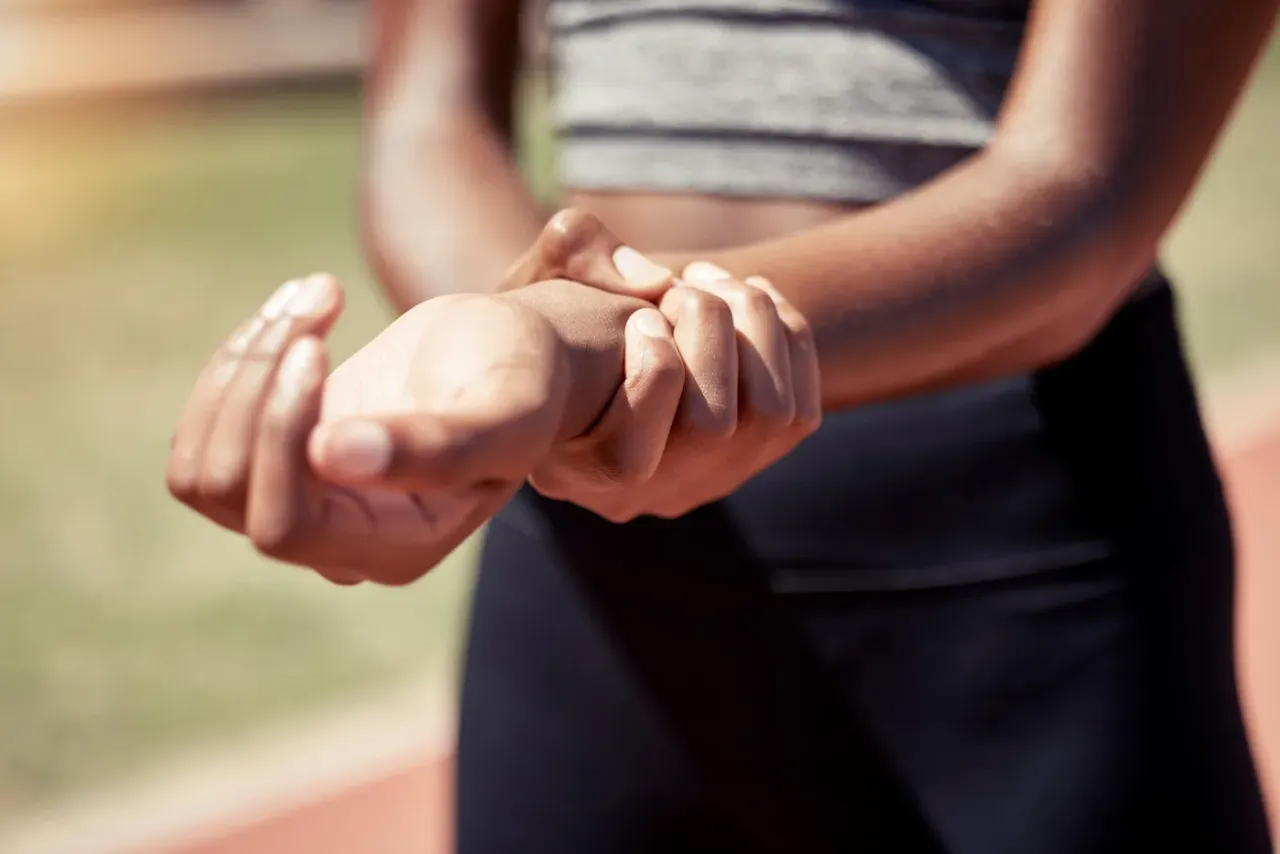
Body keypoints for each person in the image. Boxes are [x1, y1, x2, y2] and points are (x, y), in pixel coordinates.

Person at [166, 0, 1280, 851]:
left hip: (1019, 573)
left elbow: (1082, 187)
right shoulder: (554, 370)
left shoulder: (576, 354)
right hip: (579, 581)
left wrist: (577, 349)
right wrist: (502, 373)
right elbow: (425, 117)